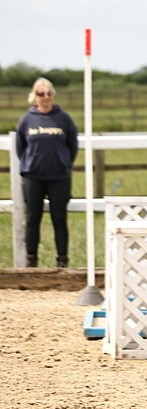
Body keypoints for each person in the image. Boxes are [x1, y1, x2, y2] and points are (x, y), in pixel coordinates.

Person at [15, 78, 78, 268]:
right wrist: (32, 165)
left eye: (49, 93)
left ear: (54, 95)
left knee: (59, 218)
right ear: (35, 96)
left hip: (59, 177)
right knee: (33, 218)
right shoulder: (27, 120)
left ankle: (62, 261)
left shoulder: (64, 118)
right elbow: (20, 148)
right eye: (41, 94)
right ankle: (31, 260)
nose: (46, 97)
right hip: (33, 177)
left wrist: (63, 163)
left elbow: (72, 146)